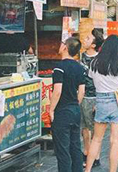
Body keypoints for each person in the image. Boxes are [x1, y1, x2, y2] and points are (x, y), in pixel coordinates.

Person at [85, 35, 118, 172]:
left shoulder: (94, 62)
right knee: (115, 141)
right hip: (116, 102)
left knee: (96, 139)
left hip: (100, 101)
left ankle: (87, 169)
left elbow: (91, 78)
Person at [50, 37, 86, 172]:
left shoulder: (59, 68)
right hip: (75, 110)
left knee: (63, 151)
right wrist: (76, 104)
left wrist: (52, 110)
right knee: (75, 147)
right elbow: (81, 90)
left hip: (62, 112)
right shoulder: (79, 67)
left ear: (65, 47)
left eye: (62, 43)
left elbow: (57, 91)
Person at [80, 35, 101, 167]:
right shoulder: (80, 56)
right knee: (84, 127)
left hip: (94, 96)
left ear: (93, 45)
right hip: (82, 95)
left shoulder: (100, 59)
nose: (84, 40)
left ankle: (95, 156)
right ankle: (87, 151)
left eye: (88, 39)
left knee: (95, 128)